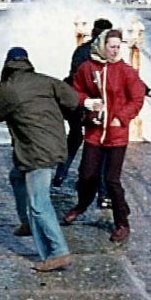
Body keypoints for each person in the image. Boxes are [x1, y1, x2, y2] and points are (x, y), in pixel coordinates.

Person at [0, 46, 100, 272]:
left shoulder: (9, 88)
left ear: (7, 65)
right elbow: (73, 99)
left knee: (39, 203)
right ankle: (26, 223)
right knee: (17, 176)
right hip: (54, 143)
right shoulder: (46, 81)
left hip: (36, 151)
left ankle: (58, 252)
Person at [63, 29, 146, 243]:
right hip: (94, 130)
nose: (115, 51)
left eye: (119, 47)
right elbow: (76, 90)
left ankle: (121, 223)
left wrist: (123, 117)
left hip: (117, 133)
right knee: (87, 175)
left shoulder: (126, 71)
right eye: (112, 46)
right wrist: (87, 103)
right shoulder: (87, 68)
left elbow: (136, 98)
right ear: (102, 46)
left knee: (111, 180)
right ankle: (81, 205)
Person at [52, 16, 113, 206]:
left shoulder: (81, 50)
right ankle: (102, 192)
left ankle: (60, 175)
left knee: (76, 136)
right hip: (88, 103)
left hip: (74, 100)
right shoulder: (103, 54)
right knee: (100, 144)